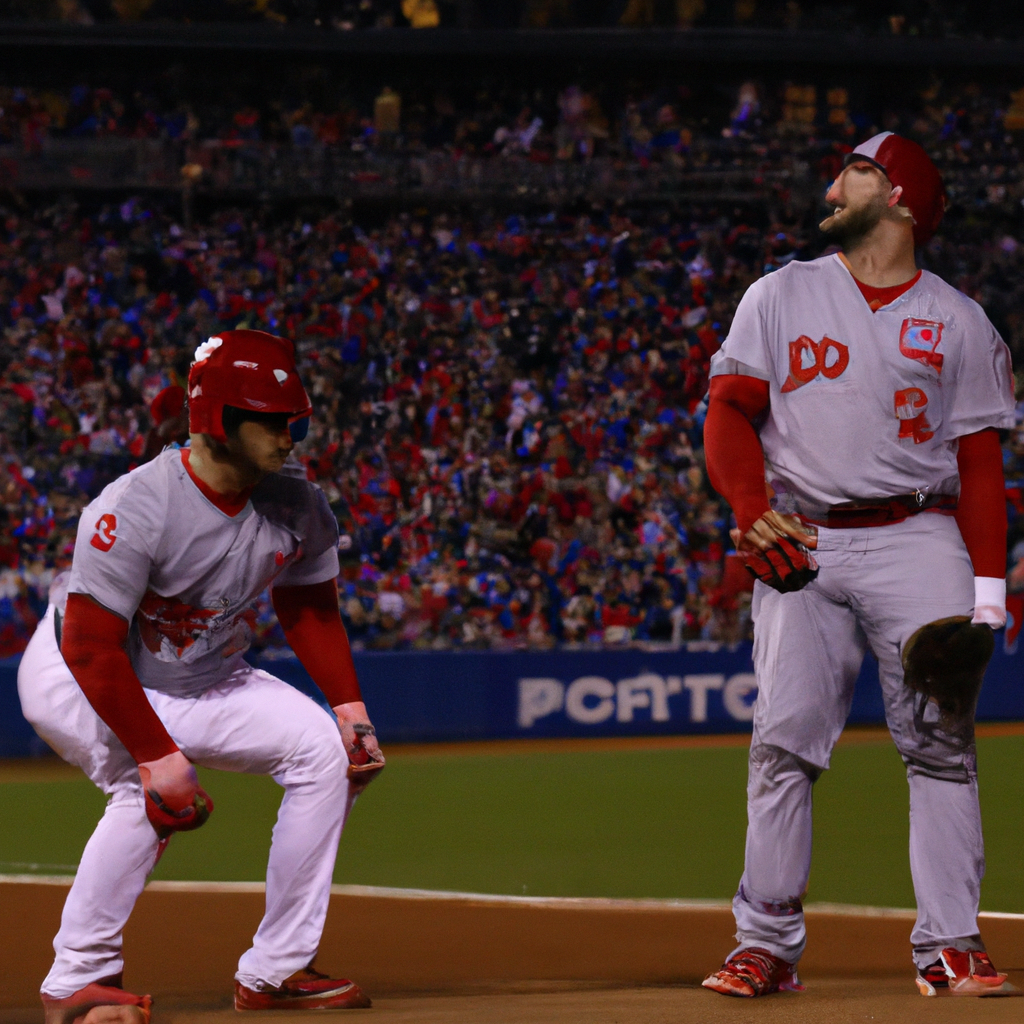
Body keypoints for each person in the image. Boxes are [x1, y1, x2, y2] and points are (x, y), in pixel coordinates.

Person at [700, 133, 1017, 998]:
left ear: (904, 198)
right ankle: (764, 943)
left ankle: (949, 943)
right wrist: (747, 510)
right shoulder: (780, 292)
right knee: (783, 744)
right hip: (801, 535)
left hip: (921, 536)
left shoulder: (960, 320)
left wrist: (989, 594)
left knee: (942, 745)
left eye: (860, 171)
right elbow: (728, 410)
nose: (835, 184)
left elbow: (983, 466)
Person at [18, 329, 384, 1022]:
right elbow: (93, 649)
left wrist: (350, 710)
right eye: (271, 422)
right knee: (148, 791)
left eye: (292, 420)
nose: (289, 435)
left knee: (325, 753)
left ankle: (275, 972)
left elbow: (308, 607)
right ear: (217, 420)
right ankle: (77, 979)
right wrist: (159, 756)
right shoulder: (132, 509)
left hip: (201, 674)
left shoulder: (297, 503)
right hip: (82, 671)